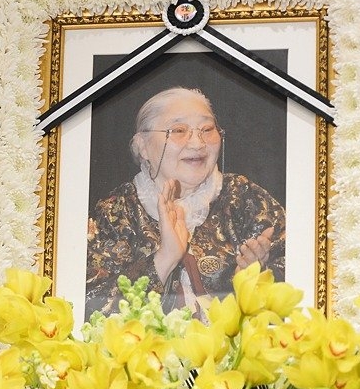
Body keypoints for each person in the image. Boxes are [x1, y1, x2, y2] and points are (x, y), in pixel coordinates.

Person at [85, 87, 286, 320]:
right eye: (179, 130)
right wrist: (164, 258)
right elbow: (90, 308)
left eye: (207, 129)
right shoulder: (115, 212)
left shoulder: (244, 198)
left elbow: (306, 278)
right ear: (143, 146)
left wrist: (256, 278)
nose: (197, 143)